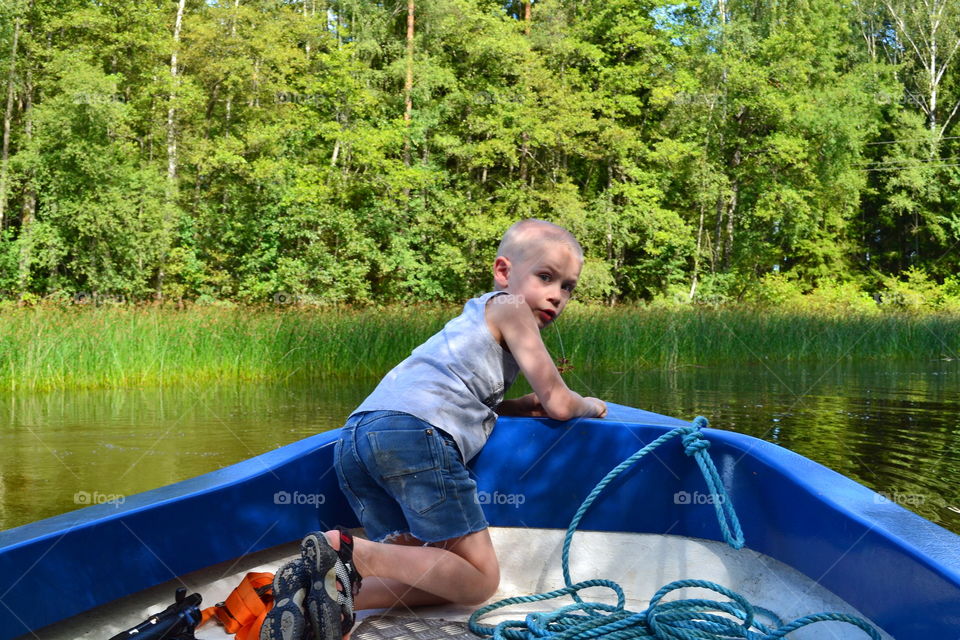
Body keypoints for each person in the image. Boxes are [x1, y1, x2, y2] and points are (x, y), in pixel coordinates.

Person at [260, 219, 607, 640]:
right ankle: (346, 550)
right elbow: (559, 401)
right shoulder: (512, 308)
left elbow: (462, 395)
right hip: (416, 439)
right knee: (480, 580)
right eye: (546, 277)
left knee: (423, 571)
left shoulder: (470, 323)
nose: (556, 295)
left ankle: (313, 601)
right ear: (503, 272)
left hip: (357, 439)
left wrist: (515, 407)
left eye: (568, 287)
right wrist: (590, 404)